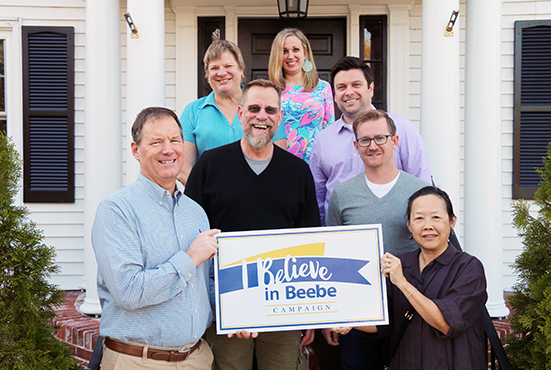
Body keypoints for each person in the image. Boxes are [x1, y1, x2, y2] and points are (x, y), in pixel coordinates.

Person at [185, 79, 321, 370]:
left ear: (280, 117)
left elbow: (310, 239)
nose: (262, 116)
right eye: (254, 108)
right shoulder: (210, 165)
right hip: (224, 302)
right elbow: (189, 234)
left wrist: (309, 314)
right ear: (240, 112)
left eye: (270, 110)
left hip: (283, 302)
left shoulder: (298, 171)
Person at [92, 107, 220, 369]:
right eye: (156, 142)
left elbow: (204, 286)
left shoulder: (195, 212)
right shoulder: (117, 210)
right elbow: (129, 292)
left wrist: (239, 313)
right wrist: (189, 258)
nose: (168, 150)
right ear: (136, 150)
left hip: (197, 359)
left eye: (174, 140)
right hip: (138, 361)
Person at [333, 186, 488, 369]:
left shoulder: (468, 268)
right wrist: (350, 321)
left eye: (436, 217)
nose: (427, 226)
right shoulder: (403, 264)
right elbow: (384, 323)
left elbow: (446, 323)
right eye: (419, 218)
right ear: (409, 225)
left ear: (452, 221)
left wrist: (402, 283)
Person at [325, 109, 429, 370]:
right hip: (359, 315)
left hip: (408, 310)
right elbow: (333, 257)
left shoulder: (419, 192)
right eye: (365, 140)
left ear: (394, 142)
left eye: (380, 138)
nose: (373, 146)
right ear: (356, 146)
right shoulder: (342, 195)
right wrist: (331, 314)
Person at [309, 56, 431, 226]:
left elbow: (423, 189)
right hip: (341, 240)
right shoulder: (323, 139)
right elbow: (317, 199)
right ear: (335, 95)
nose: (349, 92)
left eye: (356, 85)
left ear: (371, 88)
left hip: (398, 237)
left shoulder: (401, 129)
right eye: (341, 87)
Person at [179, 40, 286, 185]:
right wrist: (208, 195)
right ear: (207, 74)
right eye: (214, 68)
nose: (222, 73)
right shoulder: (192, 112)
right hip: (208, 203)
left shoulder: (267, 110)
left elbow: (279, 164)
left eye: (228, 66)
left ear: (241, 70)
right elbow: (184, 168)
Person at [268, 28, 335, 162]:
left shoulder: (323, 88)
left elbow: (330, 130)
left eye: (295, 50)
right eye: (284, 51)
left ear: (305, 52)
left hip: (316, 164)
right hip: (280, 163)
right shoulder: (270, 90)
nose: (290, 56)